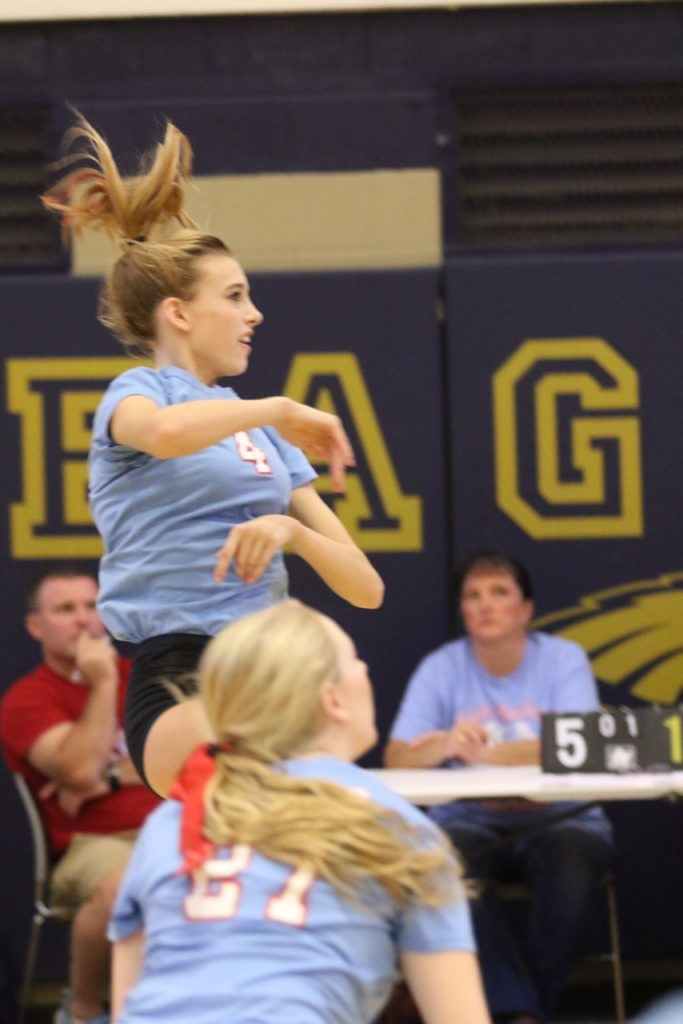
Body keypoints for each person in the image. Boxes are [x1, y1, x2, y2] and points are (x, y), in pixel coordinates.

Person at [41, 116, 384, 798]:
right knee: (261, 782)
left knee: (346, 711)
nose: (254, 314)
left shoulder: (263, 441)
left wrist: (289, 530)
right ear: (178, 314)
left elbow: (365, 589)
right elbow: (165, 435)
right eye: (234, 297)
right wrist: (279, 408)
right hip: (183, 674)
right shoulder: (136, 394)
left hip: (268, 666)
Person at [108, 599, 491, 1024]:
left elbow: (130, 1005)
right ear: (333, 700)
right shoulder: (399, 829)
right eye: (355, 659)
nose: (365, 671)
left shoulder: (175, 820)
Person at [384, 550, 615, 1024]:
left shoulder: (563, 660)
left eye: (499, 592)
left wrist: (477, 753)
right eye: (472, 595)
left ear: (526, 609)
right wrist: (447, 742)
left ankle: (521, 1010)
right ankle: (521, 1013)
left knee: (570, 866)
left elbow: (579, 744)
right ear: (462, 610)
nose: (485, 604)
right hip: (468, 819)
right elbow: (398, 757)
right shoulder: (442, 667)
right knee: (443, 866)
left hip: (563, 817)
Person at [0, 569, 160, 1024]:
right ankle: (83, 1010)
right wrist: (104, 684)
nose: (84, 621)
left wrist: (110, 779)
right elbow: (79, 768)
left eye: (92, 607)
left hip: (173, 828)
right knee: (122, 888)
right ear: (36, 626)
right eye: (65, 610)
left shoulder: (146, 679)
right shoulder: (27, 699)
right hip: (89, 844)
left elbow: (200, 753)